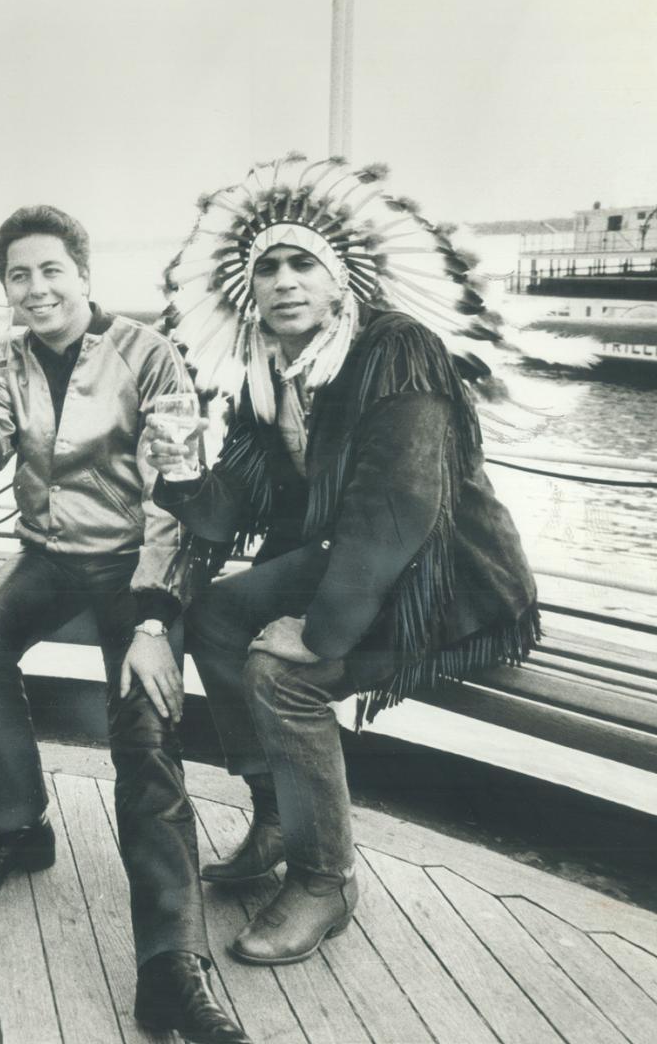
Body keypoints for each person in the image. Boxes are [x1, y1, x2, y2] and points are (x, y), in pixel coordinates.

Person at [153, 154, 540, 967]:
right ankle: (275, 816)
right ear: (248, 290)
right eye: (269, 268)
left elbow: (394, 514)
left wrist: (320, 634)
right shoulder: (276, 372)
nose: (285, 281)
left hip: (446, 583)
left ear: (340, 284)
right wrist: (179, 471)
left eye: (304, 265)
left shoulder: (396, 351)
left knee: (278, 675)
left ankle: (325, 880)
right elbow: (236, 502)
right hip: (362, 567)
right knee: (215, 617)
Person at [0, 206, 249, 1043]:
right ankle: (21, 828)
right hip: (47, 554)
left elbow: (179, 495)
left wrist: (152, 619)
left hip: (137, 563)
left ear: (83, 273)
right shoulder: (2, 356)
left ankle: (172, 966)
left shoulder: (148, 354)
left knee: (144, 731)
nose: (35, 289)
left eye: (50, 271)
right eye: (18, 276)